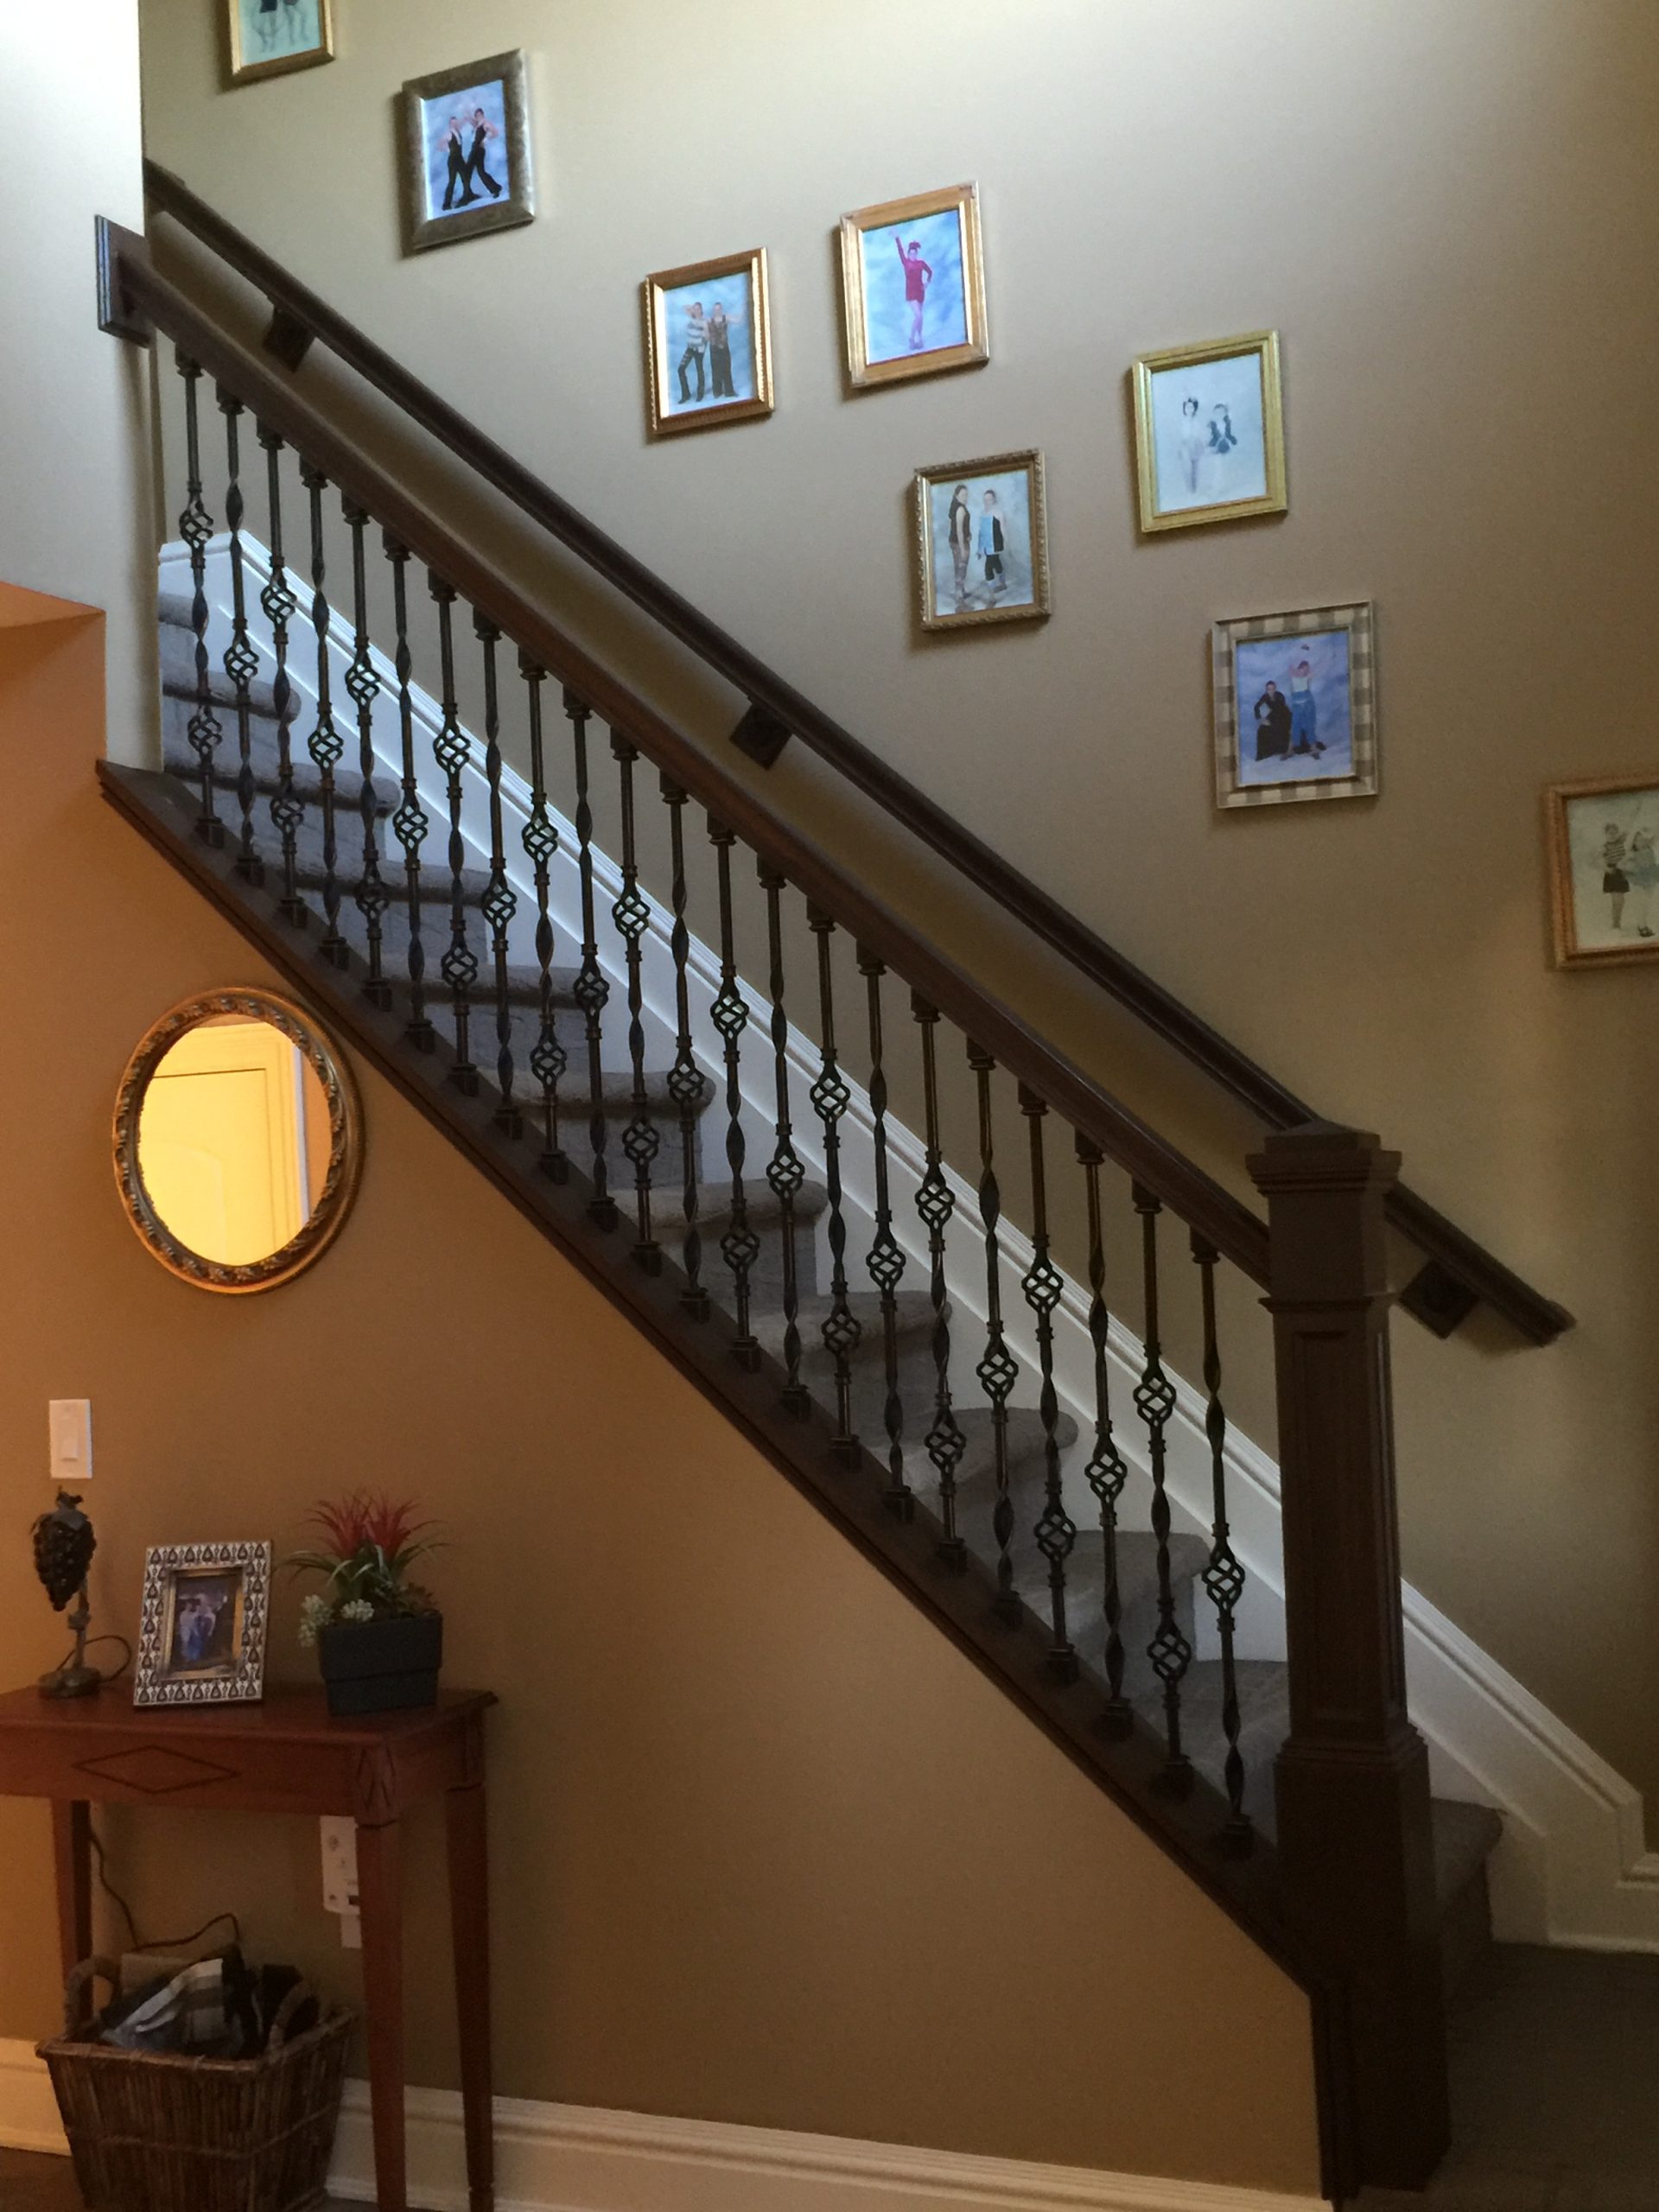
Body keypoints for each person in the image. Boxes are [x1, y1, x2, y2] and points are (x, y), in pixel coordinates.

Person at [895, 236, 933, 352]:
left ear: (916, 254)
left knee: (920, 317)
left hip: (920, 291)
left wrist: (927, 283)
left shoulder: (921, 263)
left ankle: (920, 338)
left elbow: (930, 272)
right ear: (908, 254)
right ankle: (911, 339)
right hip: (911, 293)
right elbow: (900, 250)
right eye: (910, 254)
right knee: (918, 315)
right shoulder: (906, 262)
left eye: (914, 254)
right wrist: (897, 238)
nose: (912, 255)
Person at [1287, 653, 1324, 756]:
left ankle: (1313, 748)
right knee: (1295, 727)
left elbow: (1319, 669)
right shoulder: (1293, 676)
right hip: (1297, 706)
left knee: (1310, 726)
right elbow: (1292, 661)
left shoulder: (1307, 677)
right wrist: (1303, 650)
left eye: (1307, 669)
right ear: (1299, 668)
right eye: (1303, 668)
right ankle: (1290, 750)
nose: (1305, 670)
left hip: (1308, 705)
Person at [1625, 826, 1658, 938]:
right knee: (1642, 904)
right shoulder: (1632, 854)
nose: (1642, 843)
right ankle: (1642, 926)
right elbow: (1624, 866)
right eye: (1639, 840)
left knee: (1647, 904)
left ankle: (1643, 925)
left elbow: (1653, 866)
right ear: (1634, 842)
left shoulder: (1650, 851)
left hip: (1650, 881)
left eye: (1644, 840)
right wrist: (1631, 868)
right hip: (1639, 883)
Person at [466, 107, 504, 200]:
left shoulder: (485, 123)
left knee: (468, 170)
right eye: (477, 115)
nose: (478, 116)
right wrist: (466, 112)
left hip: (478, 149)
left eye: (480, 115)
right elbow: (471, 120)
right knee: (480, 172)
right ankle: (496, 188)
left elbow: (495, 132)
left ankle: (467, 195)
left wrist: (485, 140)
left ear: (483, 114)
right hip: (475, 148)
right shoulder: (477, 125)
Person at [945, 484, 973, 608]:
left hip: (957, 541)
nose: (965, 497)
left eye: (966, 495)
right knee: (961, 569)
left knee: (960, 568)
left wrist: (969, 534)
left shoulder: (958, 506)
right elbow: (959, 530)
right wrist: (962, 549)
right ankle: (959, 598)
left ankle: (961, 591)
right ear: (956, 496)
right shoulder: (960, 509)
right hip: (958, 543)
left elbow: (964, 528)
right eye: (963, 495)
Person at [439, 115, 474, 210]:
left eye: (456, 123)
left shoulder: (457, 131)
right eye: (453, 123)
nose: (454, 124)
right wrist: (448, 150)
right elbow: (440, 145)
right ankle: (446, 204)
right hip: (453, 160)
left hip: (459, 158)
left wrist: (466, 118)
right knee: (452, 181)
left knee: (465, 177)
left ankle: (468, 195)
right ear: (450, 124)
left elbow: (462, 124)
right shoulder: (448, 134)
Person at [677, 302, 709, 404]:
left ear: (701, 310)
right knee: (681, 369)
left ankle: (700, 394)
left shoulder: (704, 322)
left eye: (698, 309)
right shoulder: (692, 316)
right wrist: (693, 309)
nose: (696, 310)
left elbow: (708, 337)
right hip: (690, 348)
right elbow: (683, 307)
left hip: (699, 349)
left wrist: (705, 331)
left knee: (699, 370)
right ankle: (686, 395)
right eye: (695, 309)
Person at [1253, 680, 1293, 761]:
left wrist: (1277, 721)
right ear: (1266, 690)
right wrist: (1260, 718)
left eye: (1272, 689)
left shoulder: (1280, 696)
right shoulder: (1265, 697)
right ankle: (1263, 754)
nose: (1271, 691)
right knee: (1262, 730)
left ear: (1275, 689)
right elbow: (1257, 707)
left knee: (1280, 728)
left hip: (1283, 718)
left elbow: (1283, 711)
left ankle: (1282, 748)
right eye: (1269, 689)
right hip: (1271, 719)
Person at [1175, 396, 1207, 496]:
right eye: (1187, 407)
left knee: (1195, 467)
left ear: (1195, 409)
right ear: (1184, 408)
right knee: (1187, 467)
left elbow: (1199, 433)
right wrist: (1181, 445)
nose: (1189, 409)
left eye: (1191, 407)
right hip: (1186, 445)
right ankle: (1189, 489)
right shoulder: (1183, 421)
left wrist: (1199, 442)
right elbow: (1180, 434)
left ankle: (1195, 488)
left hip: (1195, 444)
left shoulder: (1197, 421)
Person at [976, 488, 1006, 594]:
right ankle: (1003, 584)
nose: (987, 502)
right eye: (985, 500)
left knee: (988, 568)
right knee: (997, 563)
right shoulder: (982, 513)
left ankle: (992, 593)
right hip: (986, 546)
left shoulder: (998, 513)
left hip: (995, 544)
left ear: (994, 500)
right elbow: (981, 532)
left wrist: (1006, 542)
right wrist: (979, 549)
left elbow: (1003, 529)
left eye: (989, 499)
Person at [1603, 823, 1630, 932]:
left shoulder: (1620, 841)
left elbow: (1628, 829)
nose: (1613, 835)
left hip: (1621, 872)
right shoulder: (1605, 847)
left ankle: (1617, 922)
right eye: (1610, 833)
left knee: (1621, 900)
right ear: (1606, 834)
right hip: (1612, 872)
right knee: (1616, 899)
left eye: (1615, 833)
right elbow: (1598, 860)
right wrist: (1607, 868)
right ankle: (1616, 924)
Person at [708, 302, 735, 398]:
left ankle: (729, 392)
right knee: (715, 371)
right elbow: (705, 333)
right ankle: (717, 392)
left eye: (719, 309)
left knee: (727, 369)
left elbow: (738, 320)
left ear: (721, 309)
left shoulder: (726, 318)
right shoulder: (709, 320)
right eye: (716, 309)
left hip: (724, 347)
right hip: (714, 349)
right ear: (713, 310)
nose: (717, 311)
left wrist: (745, 309)